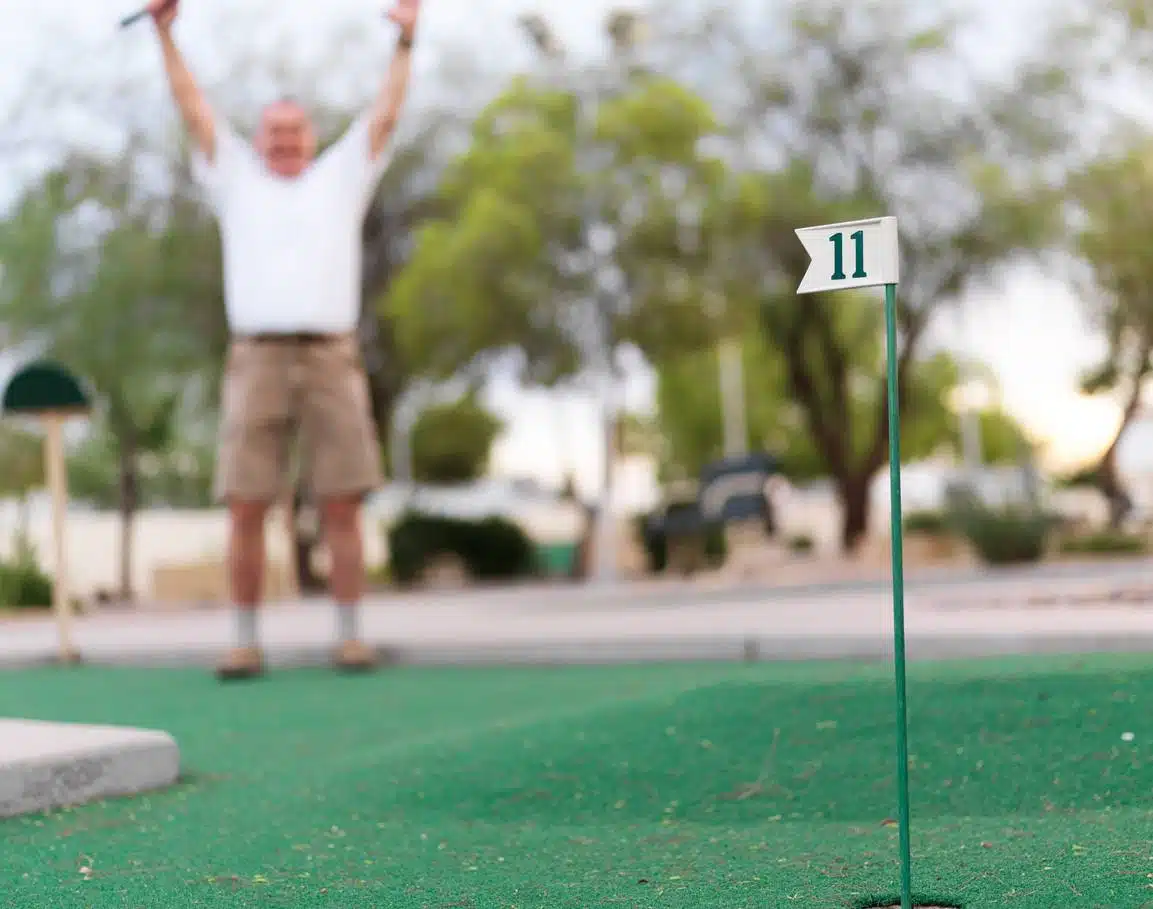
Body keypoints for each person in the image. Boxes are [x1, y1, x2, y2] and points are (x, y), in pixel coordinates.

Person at [148, 0, 419, 680]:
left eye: (295, 131)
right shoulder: (234, 176)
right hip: (256, 357)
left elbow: (385, 114)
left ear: (312, 136)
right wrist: (164, 31)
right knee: (245, 502)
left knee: (341, 500)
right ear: (260, 138)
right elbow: (193, 109)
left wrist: (407, 42)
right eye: (274, 132)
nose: (284, 141)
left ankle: (350, 634)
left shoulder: (341, 176)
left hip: (331, 354)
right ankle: (243, 639)